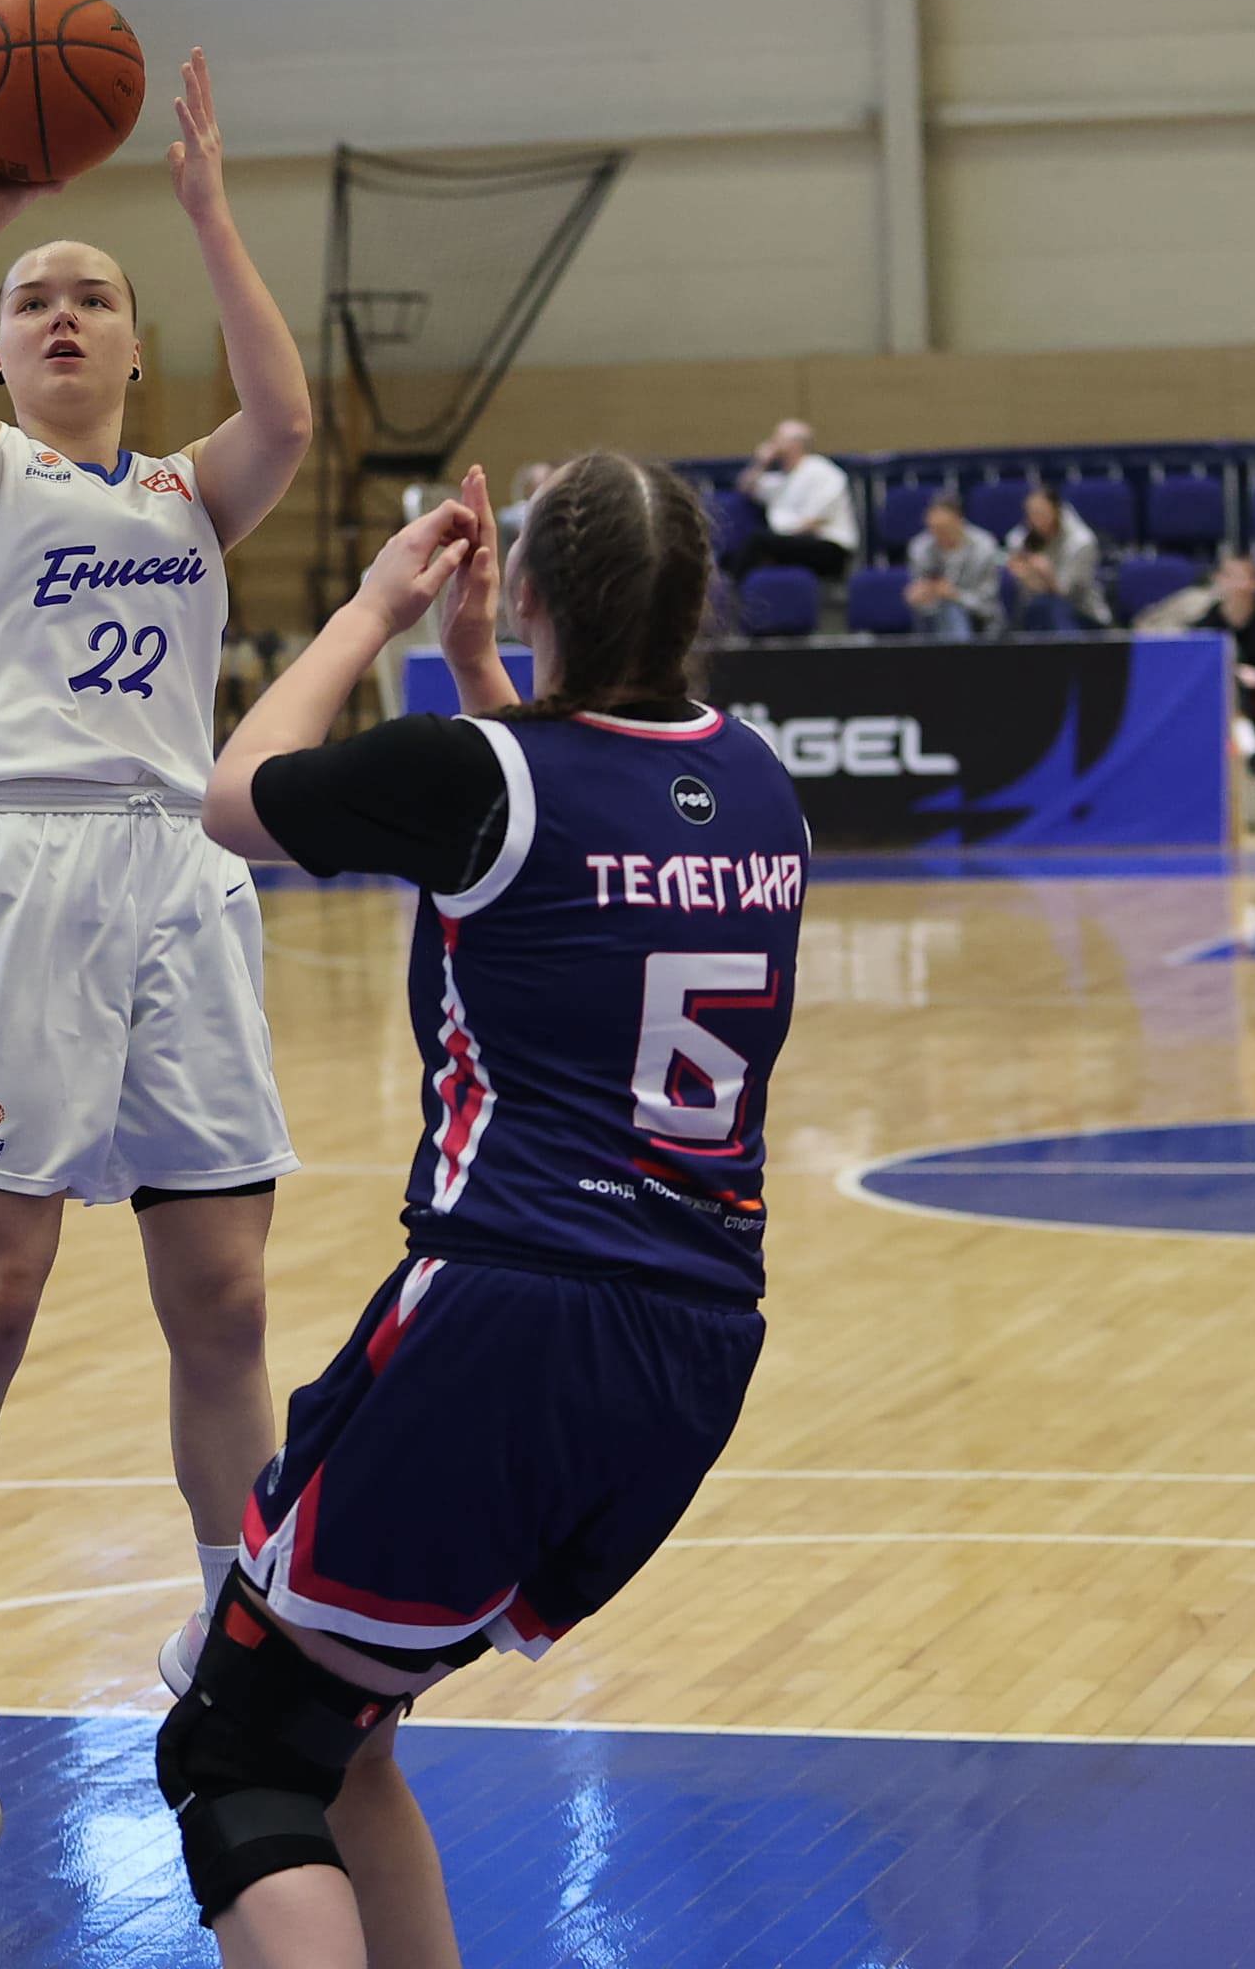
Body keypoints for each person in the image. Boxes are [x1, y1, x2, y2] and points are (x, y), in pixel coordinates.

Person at [178, 457, 802, 1965]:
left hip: (509, 1315)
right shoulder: (761, 784)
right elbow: (574, 820)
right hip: (692, 1349)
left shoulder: (474, 778)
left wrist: (371, 610)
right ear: (695, 604)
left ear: (525, 590)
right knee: (346, 1734)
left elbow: (233, 797)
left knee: (236, 1752)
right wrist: (476, 671)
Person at [0, 46, 313, 1855]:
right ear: (3, 350)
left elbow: (285, 418)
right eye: (32, 299)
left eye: (93, 297)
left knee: (227, 1296)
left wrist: (207, 214)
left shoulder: (189, 495)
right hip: (19, 873)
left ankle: (232, 1631)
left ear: (136, 348)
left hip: (177, 875)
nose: (58, 312)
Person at [1192, 552, 1255, 775]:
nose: (1238, 585)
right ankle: (1251, 750)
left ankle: (1251, 747)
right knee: (1228, 685)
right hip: (1217, 711)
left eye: (1244, 577)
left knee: (1235, 689)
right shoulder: (1206, 625)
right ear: (1218, 579)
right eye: (1231, 576)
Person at [731, 419, 857, 580]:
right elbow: (744, 488)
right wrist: (760, 463)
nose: (772, 445)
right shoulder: (781, 478)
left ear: (795, 445)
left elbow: (813, 523)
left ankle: (732, 589)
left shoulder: (823, 472)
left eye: (777, 440)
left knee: (759, 542)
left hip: (828, 546)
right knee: (750, 545)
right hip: (792, 542)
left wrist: (778, 538)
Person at [1003, 483, 1111, 631]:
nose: (1035, 520)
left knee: (1050, 607)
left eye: (1041, 513)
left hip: (1084, 614)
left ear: (1056, 511)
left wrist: (1048, 575)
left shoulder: (1081, 542)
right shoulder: (1019, 540)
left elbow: (1068, 594)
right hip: (1036, 609)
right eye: (1030, 514)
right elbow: (1027, 589)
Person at [901, 493, 1004, 639]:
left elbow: (987, 602)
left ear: (959, 521)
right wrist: (918, 595)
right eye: (933, 529)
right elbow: (919, 590)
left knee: (951, 609)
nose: (938, 535)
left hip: (981, 619)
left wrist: (954, 595)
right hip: (932, 617)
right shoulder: (920, 547)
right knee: (940, 610)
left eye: (944, 528)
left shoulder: (984, 546)